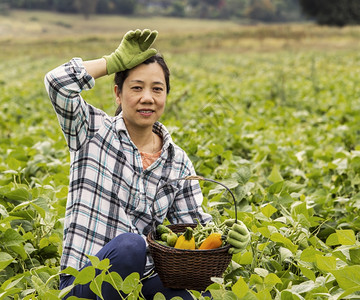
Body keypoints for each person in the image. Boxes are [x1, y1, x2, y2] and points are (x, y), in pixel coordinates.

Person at [44, 29, 249, 299]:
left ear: (165, 96)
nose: (147, 98)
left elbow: (194, 235)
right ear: (118, 93)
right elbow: (57, 83)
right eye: (137, 87)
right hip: (84, 282)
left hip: (140, 283)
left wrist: (228, 239)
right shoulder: (93, 131)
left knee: (197, 296)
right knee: (131, 246)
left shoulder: (177, 162)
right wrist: (112, 61)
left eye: (157, 89)